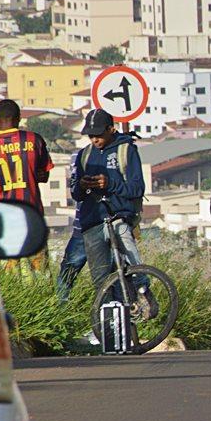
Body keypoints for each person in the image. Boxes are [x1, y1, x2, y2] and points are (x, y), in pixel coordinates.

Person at [71, 109, 151, 312]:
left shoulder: (126, 150)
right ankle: (110, 323)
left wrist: (110, 184)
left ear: (111, 129)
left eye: (98, 134)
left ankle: (144, 291)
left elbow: (137, 188)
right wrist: (81, 185)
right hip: (92, 222)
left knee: (128, 249)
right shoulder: (84, 155)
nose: (94, 139)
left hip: (118, 216)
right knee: (101, 280)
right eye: (91, 135)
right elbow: (76, 195)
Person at [0, 99, 53, 269]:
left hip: (3, 219)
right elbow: (44, 175)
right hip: (32, 215)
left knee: (8, 277)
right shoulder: (34, 140)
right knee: (41, 275)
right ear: (19, 118)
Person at [55, 149, 87, 303]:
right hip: (82, 228)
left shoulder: (117, 152)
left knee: (112, 274)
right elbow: (75, 191)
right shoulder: (80, 155)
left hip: (94, 226)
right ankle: (62, 311)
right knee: (67, 274)